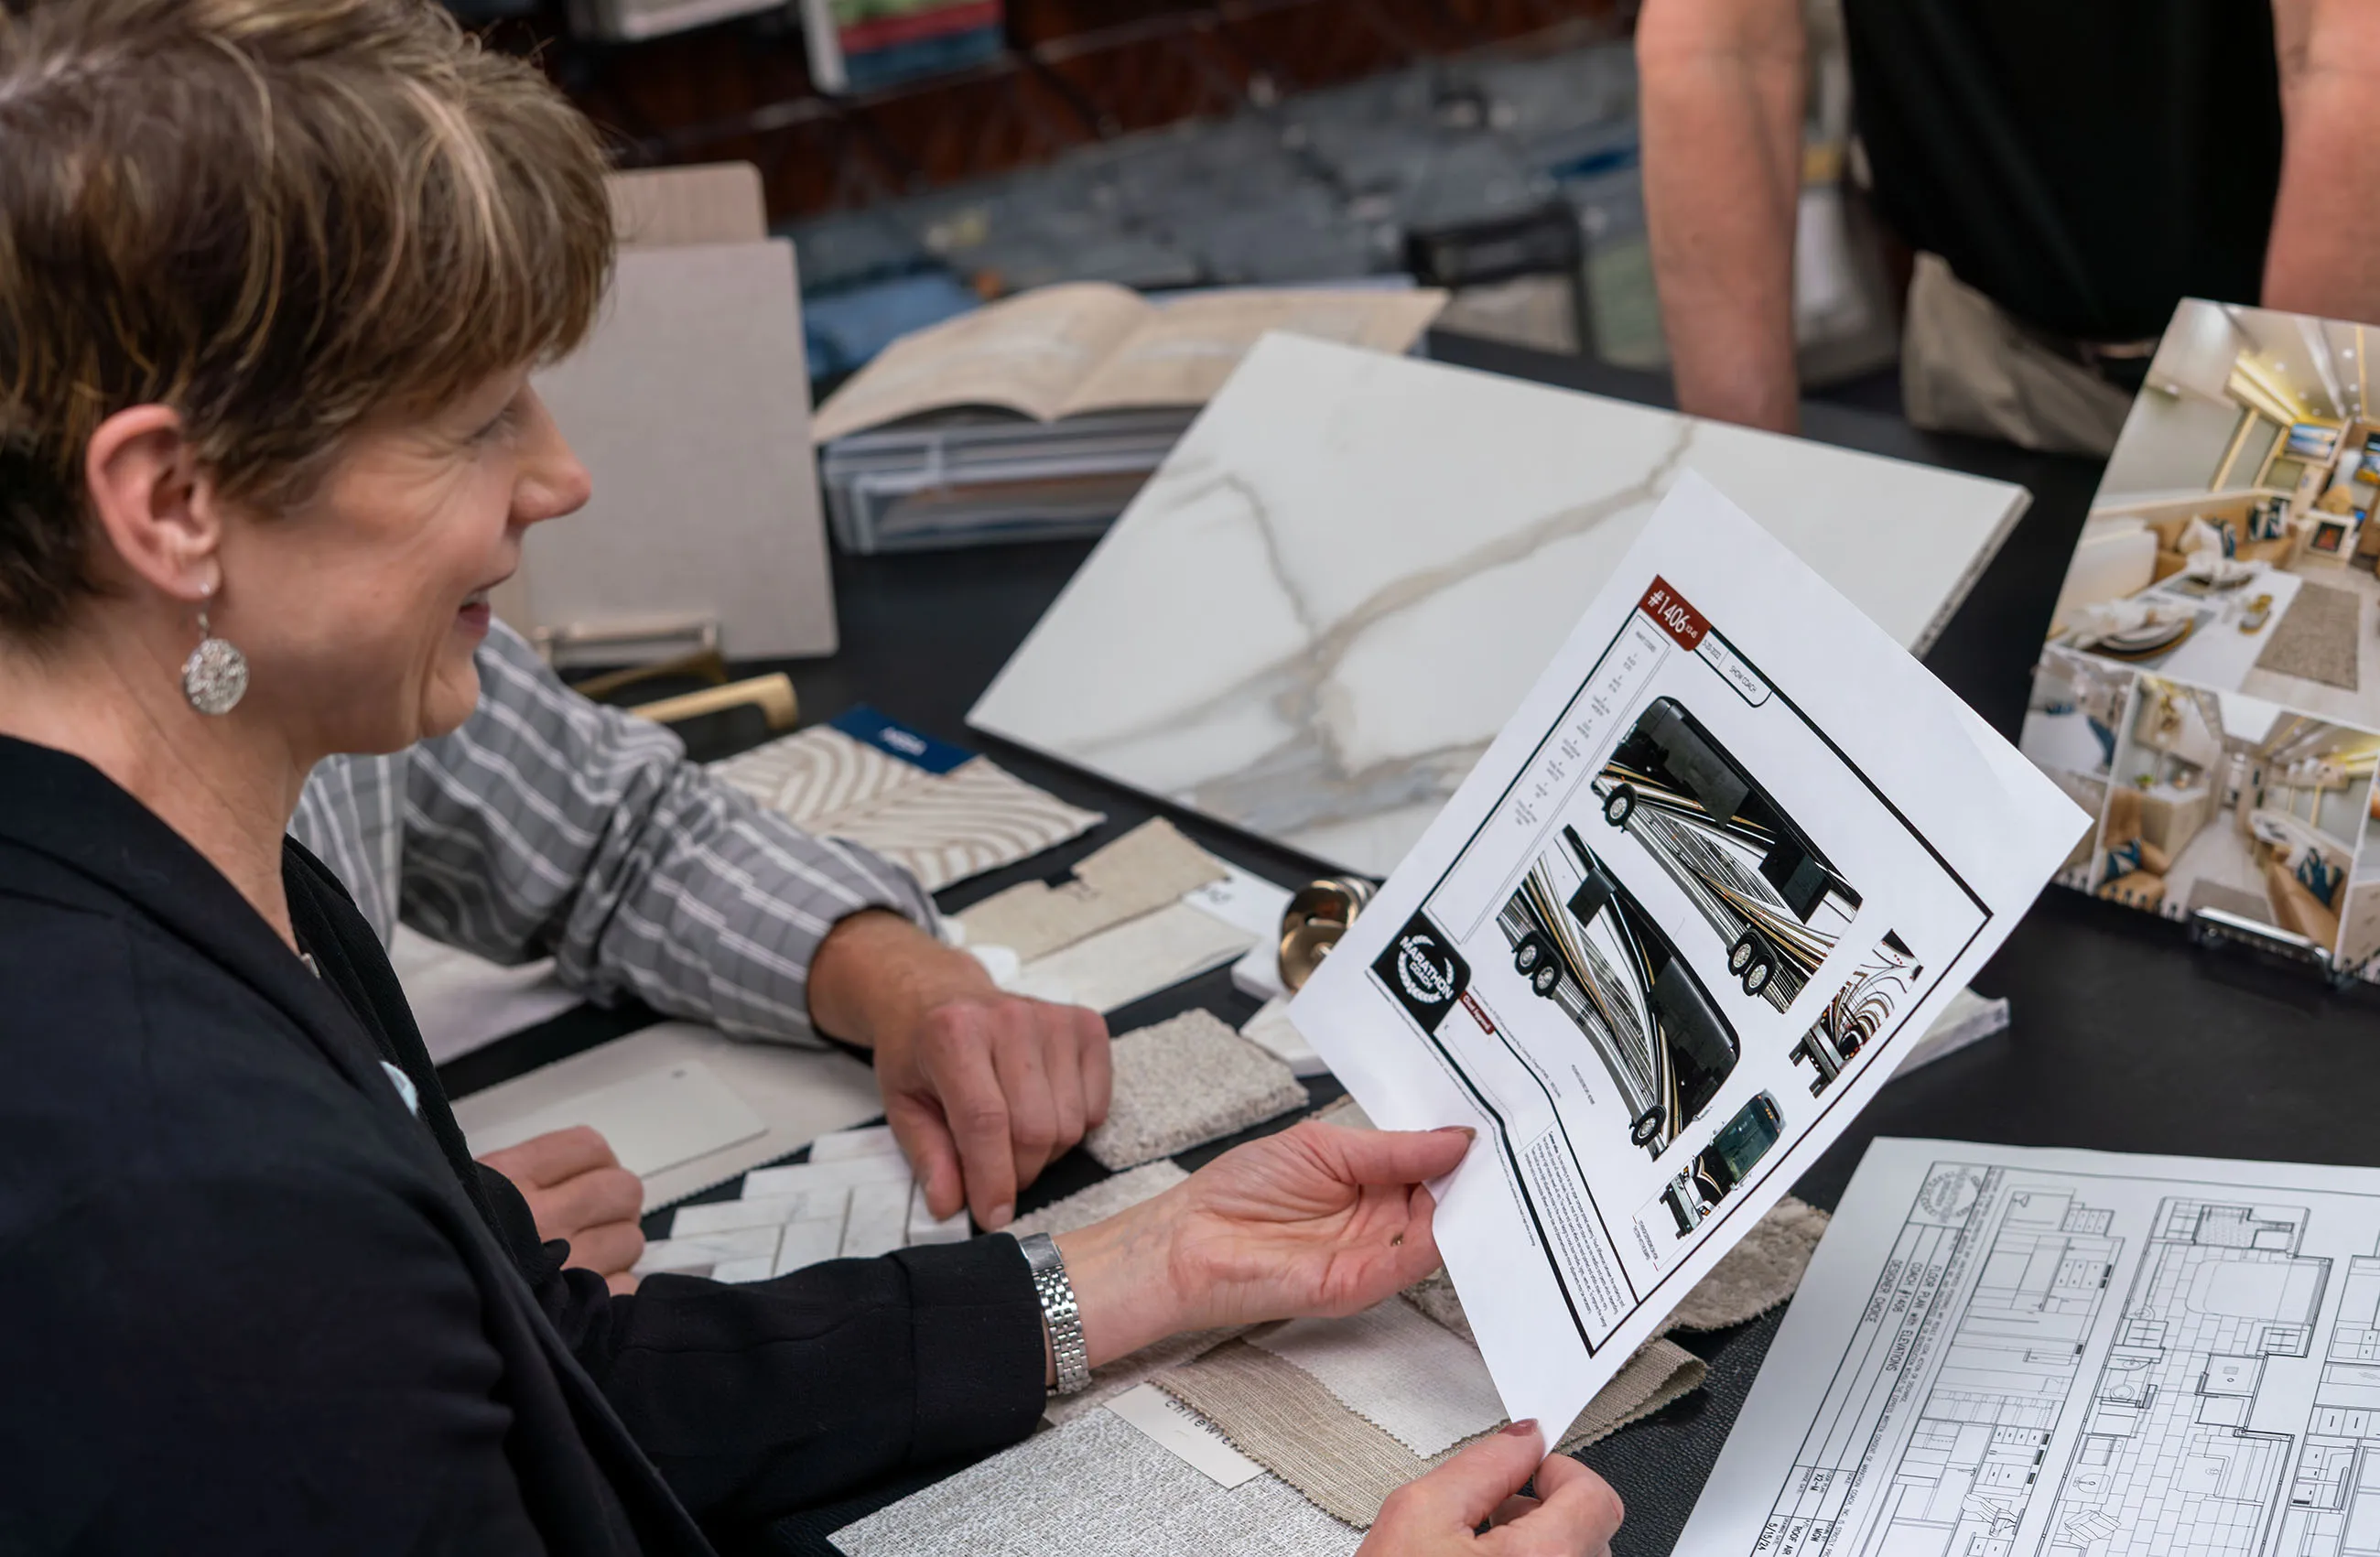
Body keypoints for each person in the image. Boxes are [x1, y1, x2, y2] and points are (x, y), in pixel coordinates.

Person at [0, 2, 1628, 1551]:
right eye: (477, 419)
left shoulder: (205, 864)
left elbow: (549, 1390)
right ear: (174, 504)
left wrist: (1149, 1261)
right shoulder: (183, 1204)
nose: (560, 476)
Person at [295, 614, 1116, 1289]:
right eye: (454, 439)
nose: (561, 481)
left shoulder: (391, 631)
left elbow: (619, 836)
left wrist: (906, 980)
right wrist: (379, 1278)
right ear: (178, 504)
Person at [1636, 0, 2380, 455]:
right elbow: (1719, 49)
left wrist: (2294, 498)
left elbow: (2351, 65)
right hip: (1996, 357)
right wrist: (1736, 490)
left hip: (2311, 358)